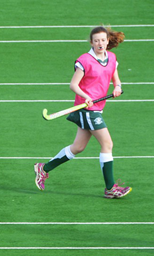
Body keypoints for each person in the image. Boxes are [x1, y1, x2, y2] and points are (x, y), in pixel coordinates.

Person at [35, 26, 130, 198]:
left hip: (97, 107)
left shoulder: (111, 58)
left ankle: (44, 168)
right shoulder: (84, 61)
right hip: (87, 109)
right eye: (96, 41)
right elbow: (73, 85)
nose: (100, 43)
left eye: (103, 40)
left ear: (107, 41)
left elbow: (115, 78)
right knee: (107, 144)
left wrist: (117, 87)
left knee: (78, 147)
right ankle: (110, 188)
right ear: (91, 43)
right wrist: (86, 97)